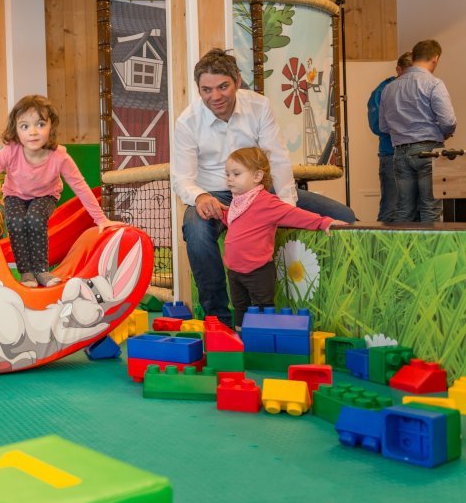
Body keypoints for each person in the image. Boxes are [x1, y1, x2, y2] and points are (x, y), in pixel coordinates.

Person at [170, 48, 356, 327]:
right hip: (216, 194)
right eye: (206, 89)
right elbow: (181, 177)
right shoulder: (187, 121)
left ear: (238, 81)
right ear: (198, 89)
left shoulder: (259, 106)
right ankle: (219, 319)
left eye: (223, 86)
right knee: (196, 232)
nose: (215, 96)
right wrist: (200, 196)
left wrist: (285, 208)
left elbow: (278, 159)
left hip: (260, 192)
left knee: (345, 216)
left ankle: (349, 301)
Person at [0, 94, 121, 288]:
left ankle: (41, 271)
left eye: (40, 124)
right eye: (25, 126)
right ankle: (26, 273)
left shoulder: (59, 156)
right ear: (16, 130)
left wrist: (100, 219)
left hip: (46, 195)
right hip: (14, 194)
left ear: (51, 126)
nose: (33, 132)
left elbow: (80, 186)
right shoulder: (10, 151)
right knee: (15, 220)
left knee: (35, 218)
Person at [222, 147, 344, 327]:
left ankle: (263, 340)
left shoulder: (266, 202)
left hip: (257, 270)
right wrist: (219, 214)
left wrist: (323, 222)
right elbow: (238, 224)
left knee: (263, 307)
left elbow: (295, 215)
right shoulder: (238, 201)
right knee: (240, 306)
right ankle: (243, 339)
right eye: (227, 174)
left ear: (257, 176)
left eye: (236, 174)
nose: (229, 179)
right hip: (234, 270)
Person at [379, 39, 457, 223]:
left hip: (399, 153)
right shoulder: (434, 84)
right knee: (430, 208)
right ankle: (430, 253)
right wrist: (443, 132)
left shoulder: (389, 88)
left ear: (413, 57)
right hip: (429, 152)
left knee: (404, 208)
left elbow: (383, 127)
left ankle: (402, 252)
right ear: (435, 59)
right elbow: (448, 121)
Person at [367, 52, 413, 222]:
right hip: (391, 155)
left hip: (416, 156)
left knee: (415, 210)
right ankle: (384, 248)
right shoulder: (382, 91)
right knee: (391, 208)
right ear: (398, 69)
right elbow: (377, 125)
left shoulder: (420, 88)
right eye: (407, 73)